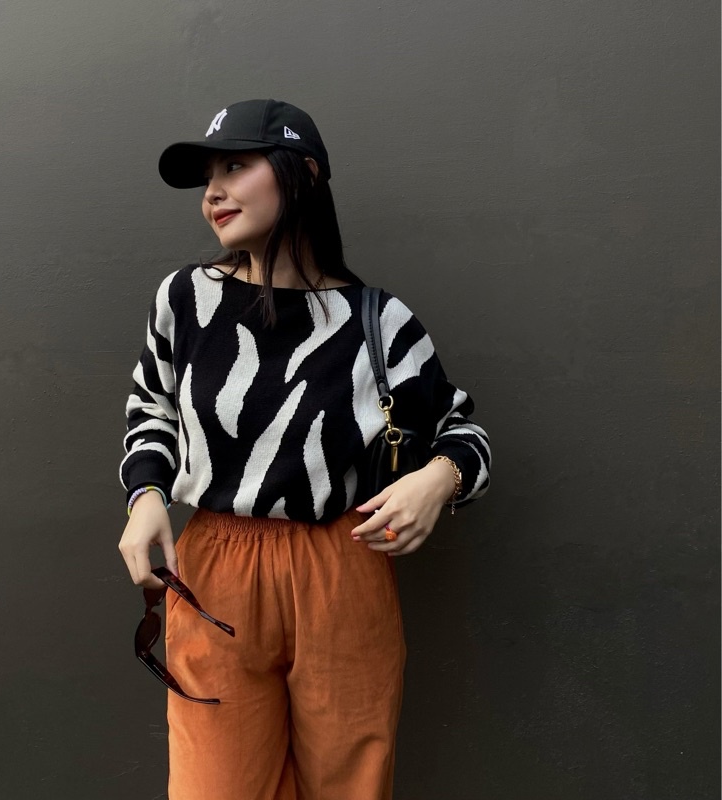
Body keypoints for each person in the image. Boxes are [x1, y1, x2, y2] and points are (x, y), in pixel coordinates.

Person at [117, 99, 491, 800]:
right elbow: (152, 408)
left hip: (342, 569)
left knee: (349, 785)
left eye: (236, 166)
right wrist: (145, 498)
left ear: (304, 174)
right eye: (208, 177)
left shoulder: (378, 320)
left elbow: (463, 432)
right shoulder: (186, 299)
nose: (214, 191)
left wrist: (437, 479)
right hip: (216, 571)